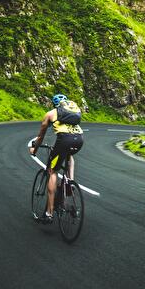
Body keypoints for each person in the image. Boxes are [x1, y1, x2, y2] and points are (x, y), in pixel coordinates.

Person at [29, 93, 84, 222]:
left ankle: (49, 213)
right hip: (79, 139)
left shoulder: (50, 114)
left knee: (52, 171)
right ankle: (70, 182)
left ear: (54, 104)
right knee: (69, 155)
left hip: (64, 140)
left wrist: (34, 150)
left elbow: (40, 137)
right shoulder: (71, 114)